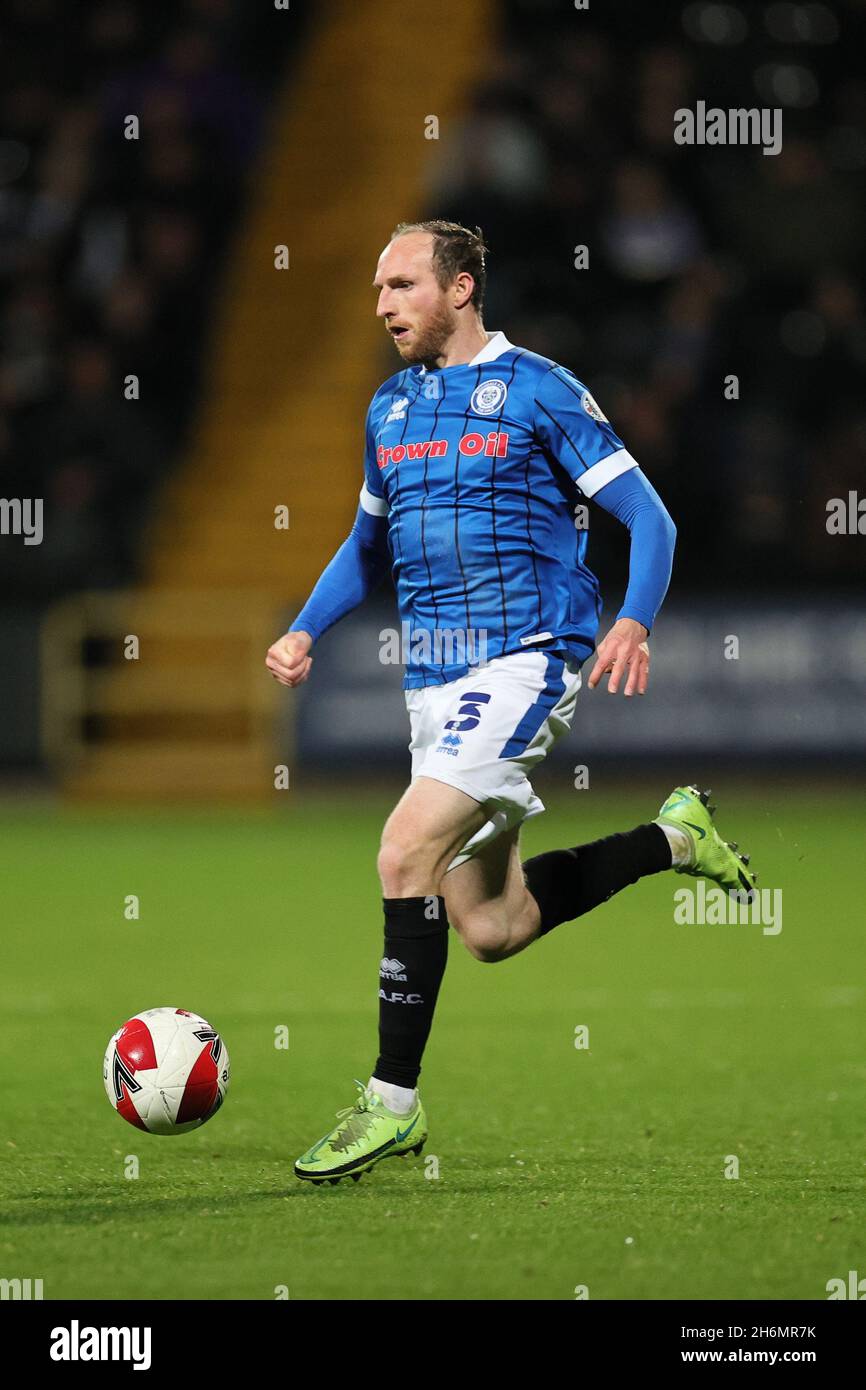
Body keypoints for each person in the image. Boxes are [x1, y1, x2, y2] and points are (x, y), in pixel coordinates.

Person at [266, 221, 755, 1186]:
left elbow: (646, 514)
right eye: (377, 289)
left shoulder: (539, 388)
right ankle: (675, 839)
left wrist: (635, 619)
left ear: (460, 288)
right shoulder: (389, 408)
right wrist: (305, 628)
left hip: (525, 660)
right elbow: (364, 547)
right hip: (432, 683)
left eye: (401, 284)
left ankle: (390, 1104)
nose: (383, 306)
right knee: (493, 926)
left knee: (404, 851)